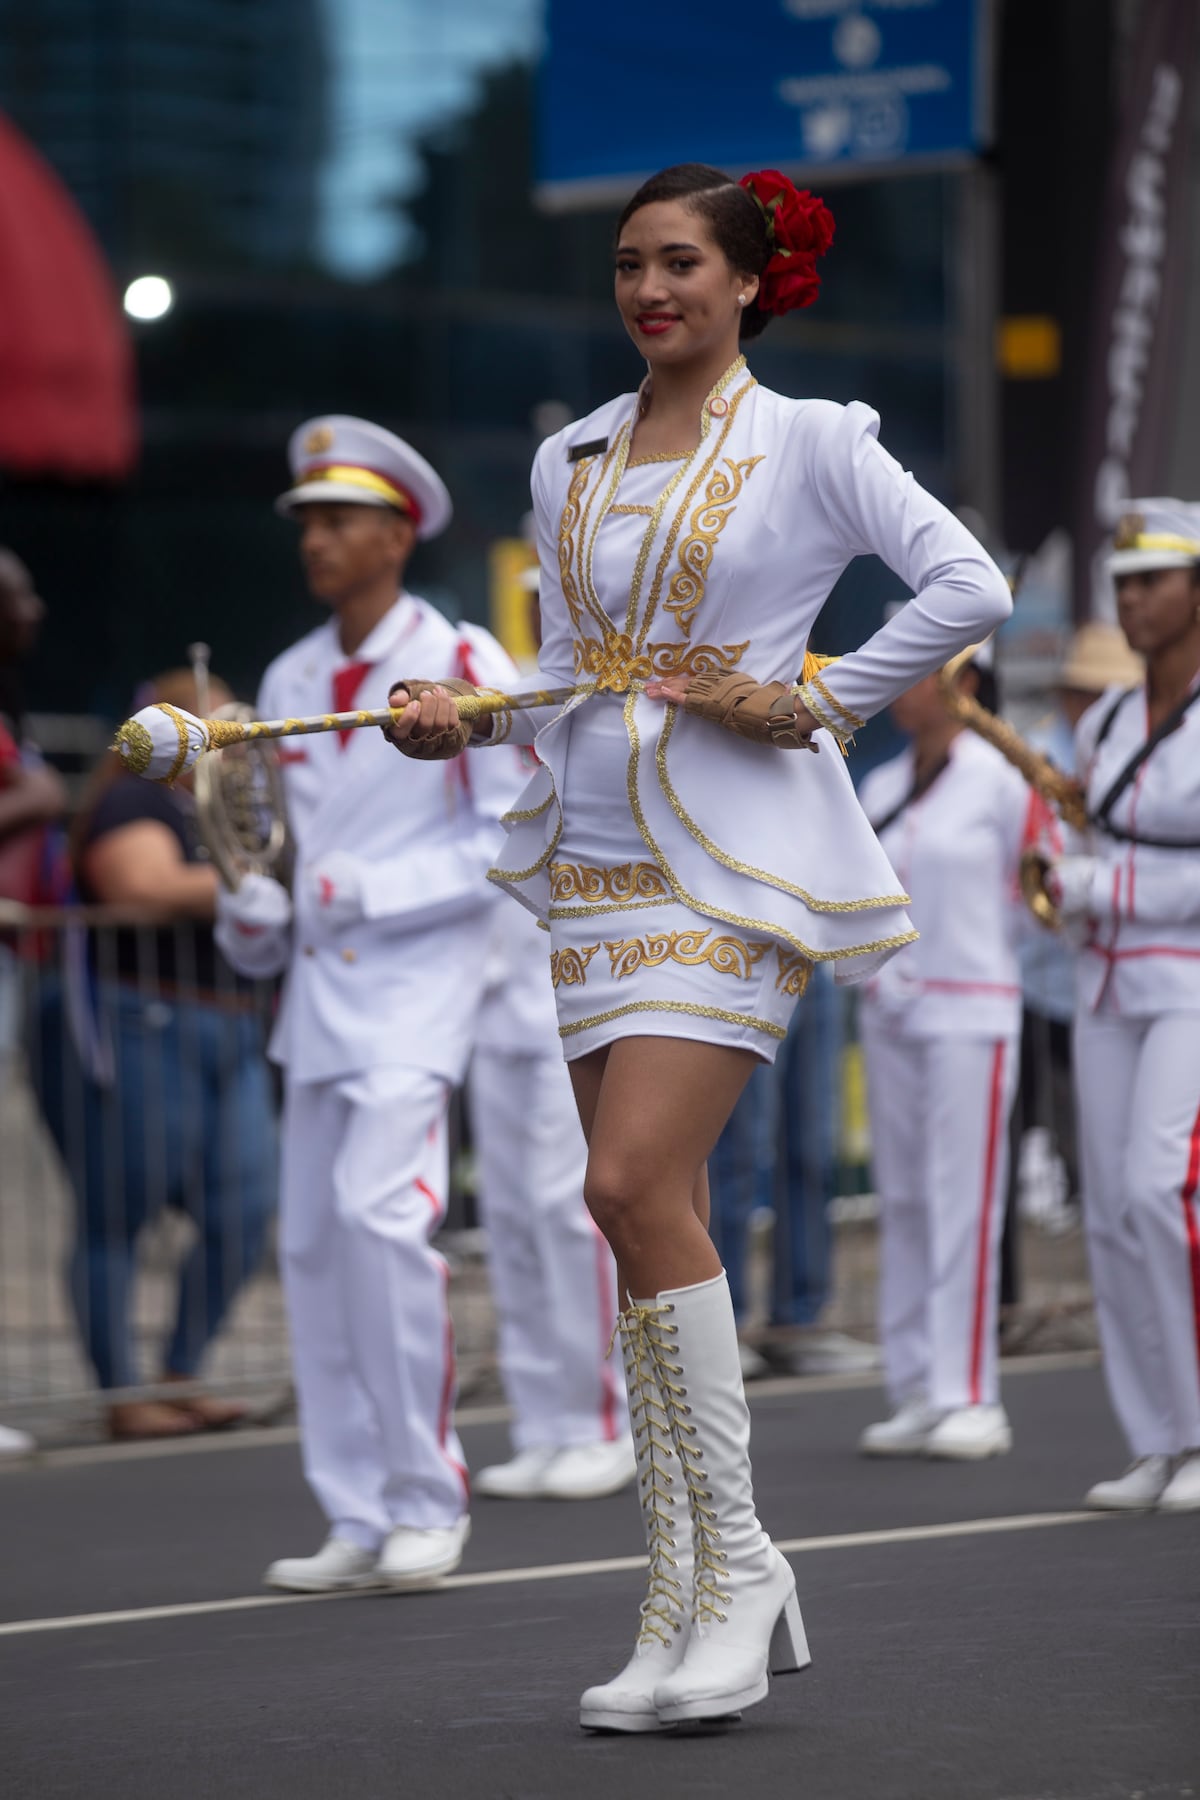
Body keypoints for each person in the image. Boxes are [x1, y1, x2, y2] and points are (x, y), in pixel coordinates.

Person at [385, 162, 1010, 1732]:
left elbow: (968, 583)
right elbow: (571, 666)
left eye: (678, 264)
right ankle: (684, 1585)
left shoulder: (810, 444)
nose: (649, 290)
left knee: (623, 1188)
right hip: (590, 860)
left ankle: (731, 1568)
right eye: (626, 266)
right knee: (641, 1215)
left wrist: (824, 693)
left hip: (731, 866)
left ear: (749, 281)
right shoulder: (569, 454)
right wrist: (465, 713)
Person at [215, 415, 520, 1592]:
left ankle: (426, 1494)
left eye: (340, 519)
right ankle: (354, 1507)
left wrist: (358, 889)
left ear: (398, 532)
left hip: (416, 993)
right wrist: (256, 910)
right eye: (307, 521)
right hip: (319, 1002)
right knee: (314, 1248)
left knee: (383, 1227)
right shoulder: (291, 676)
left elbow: (507, 835)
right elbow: (280, 854)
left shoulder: (465, 660)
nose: (317, 540)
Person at [36, 669, 276, 1440]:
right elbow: (143, 886)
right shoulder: (134, 799)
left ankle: (181, 1370)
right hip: (146, 1021)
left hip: (230, 1024)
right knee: (119, 1210)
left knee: (245, 1204)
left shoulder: (230, 812)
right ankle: (121, 1392)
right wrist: (248, 882)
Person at [855, 646, 1046, 1460]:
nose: (899, 687)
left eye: (919, 671)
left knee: (962, 1198)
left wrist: (976, 962)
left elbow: (1035, 894)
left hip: (972, 1009)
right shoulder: (881, 785)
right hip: (892, 1011)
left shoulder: (1003, 781)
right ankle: (915, 1384)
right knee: (903, 1197)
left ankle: (970, 1392)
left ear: (965, 683)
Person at [1047, 502, 1200, 1514]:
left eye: (1153, 578)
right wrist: (1068, 885)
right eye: (1123, 583)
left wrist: (1103, 888)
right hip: (1103, 980)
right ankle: (1157, 1438)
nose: (1134, 598)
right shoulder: (1103, 719)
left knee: (1160, 1191)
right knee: (1106, 1212)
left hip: (1188, 977)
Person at [468, 893, 635, 1499]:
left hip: (573, 991)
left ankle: (603, 1423)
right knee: (510, 1218)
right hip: (489, 1005)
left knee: (567, 1212)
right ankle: (544, 1422)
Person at [1005, 623, 1144, 1262]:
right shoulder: (1042, 751)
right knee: (1062, 1121)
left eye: (1099, 691)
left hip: (1125, 971)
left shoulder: (1139, 749)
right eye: (1079, 691)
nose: (1086, 703)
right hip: (1049, 974)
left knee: (1132, 1157)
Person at [710, 966, 878, 1378]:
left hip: (811, 959)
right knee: (740, 1156)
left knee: (813, 1151)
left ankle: (800, 1320)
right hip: (747, 960)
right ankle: (722, 1325)